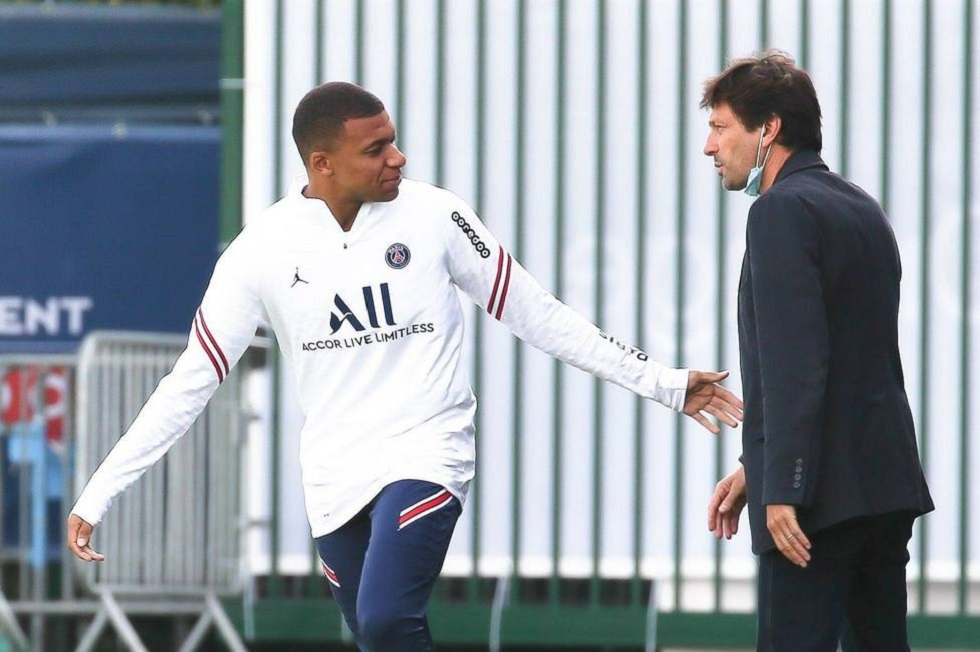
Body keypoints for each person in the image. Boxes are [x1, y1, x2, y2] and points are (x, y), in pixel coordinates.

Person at [67, 81, 743, 651]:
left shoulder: (437, 216)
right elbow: (190, 382)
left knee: (389, 617)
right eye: (376, 149)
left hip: (427, 451)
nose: (398, 157)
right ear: (322, 163)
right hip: (333, 478)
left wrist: (664, 383)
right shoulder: (259, 251)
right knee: (375, 634)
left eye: (393, 140)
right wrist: (98, 494)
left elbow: (538, 314)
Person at [700, 51, 934, 652]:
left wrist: (783, 486)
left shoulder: (778, 212)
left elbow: (797, 365)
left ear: (768, 129)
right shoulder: (861, 207)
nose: (709, 146)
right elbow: (852, 360)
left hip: (816, 507)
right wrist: (756, 468)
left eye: (721, 126)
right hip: (883, 490)